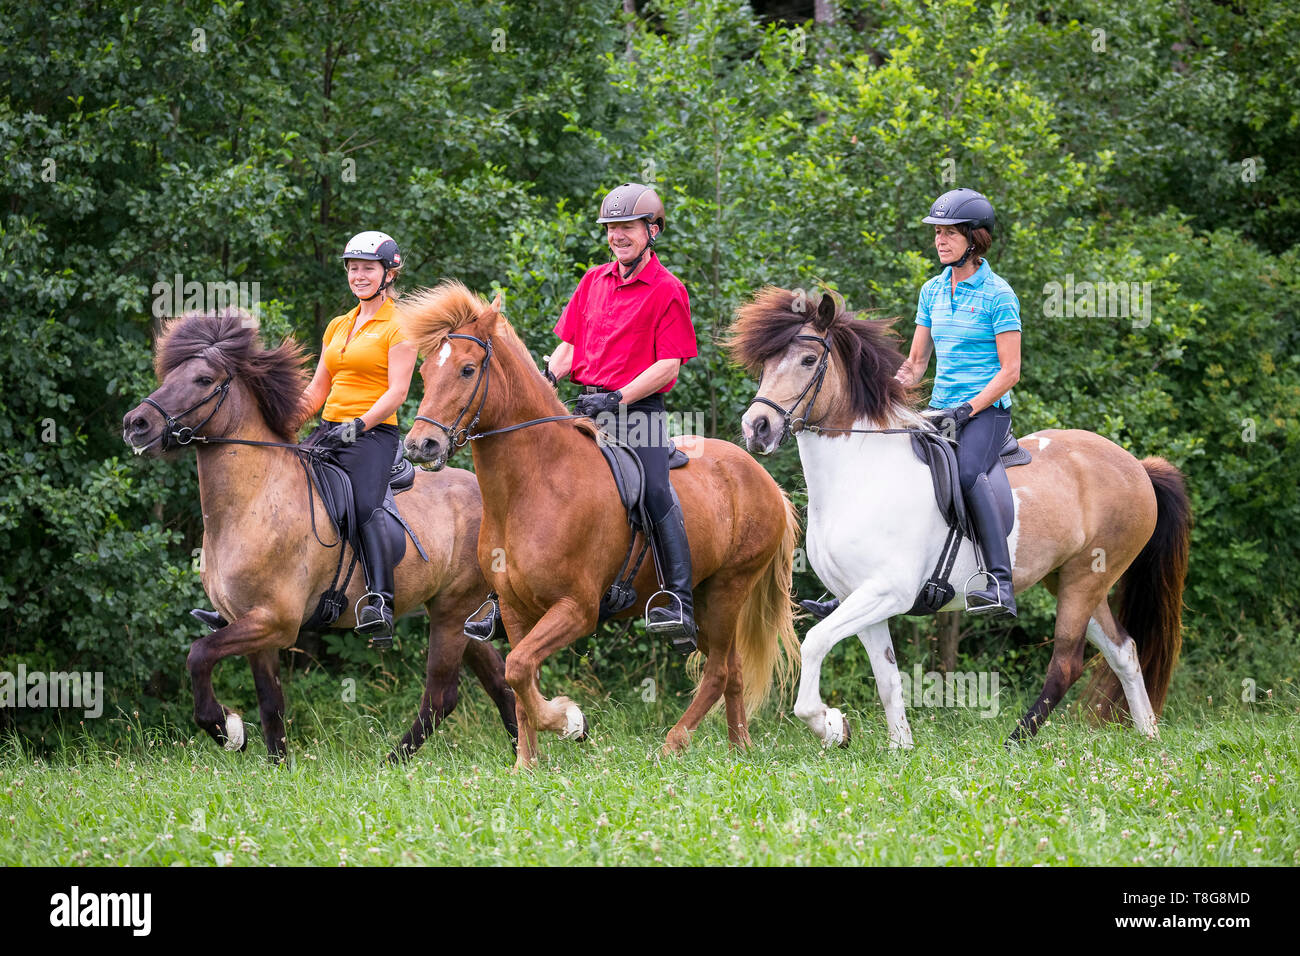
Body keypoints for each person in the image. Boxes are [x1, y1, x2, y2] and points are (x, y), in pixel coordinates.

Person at [802, 187, 1021, 621]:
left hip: (986, 413)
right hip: (939, 409)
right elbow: (917, 362)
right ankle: (851, 584)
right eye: (937, 232)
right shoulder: (932, 291)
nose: (940, 240)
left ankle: (998, 580)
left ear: (975, 238)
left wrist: (970, 408)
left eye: (950, 233)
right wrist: (888, 386)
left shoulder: (999, 295)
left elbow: (1010, 371)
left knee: (969, 474)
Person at [193, 231, 416, 646]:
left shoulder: (401, 326)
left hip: (372, 435)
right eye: (353, 268)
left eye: (368, 268)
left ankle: (379, 601)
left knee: (365, 503)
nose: (358, 275)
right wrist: (285, 421)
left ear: (389, 272)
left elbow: (397, 392)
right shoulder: (339, 325)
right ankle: (239, 602)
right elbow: (318, 389)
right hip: (330, 430)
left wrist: (361, 424)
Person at [539, 182, 700, 654]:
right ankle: (502, 590)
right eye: (611, 229)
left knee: (653, 490)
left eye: (626, 227)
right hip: (586, 406)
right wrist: (546, 378)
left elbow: (669, 365)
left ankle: (679, 602)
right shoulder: (592, 280)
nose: (617, 236)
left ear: (651, 230)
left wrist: (618, 397)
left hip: (637, 411)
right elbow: (569, 347)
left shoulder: (668, 289)